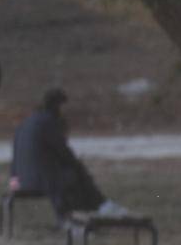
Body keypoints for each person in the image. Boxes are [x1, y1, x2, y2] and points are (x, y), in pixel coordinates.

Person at [10, 88, 131, 218]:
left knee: (70, 175)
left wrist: (14, 184)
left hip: (19, 182)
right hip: (38, 181)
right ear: (58, 106)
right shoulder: (48, 122)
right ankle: (97, 208)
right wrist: (78, 166)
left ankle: (95, 208)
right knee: (75, 173)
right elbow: (64, 153)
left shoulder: (26, 123)